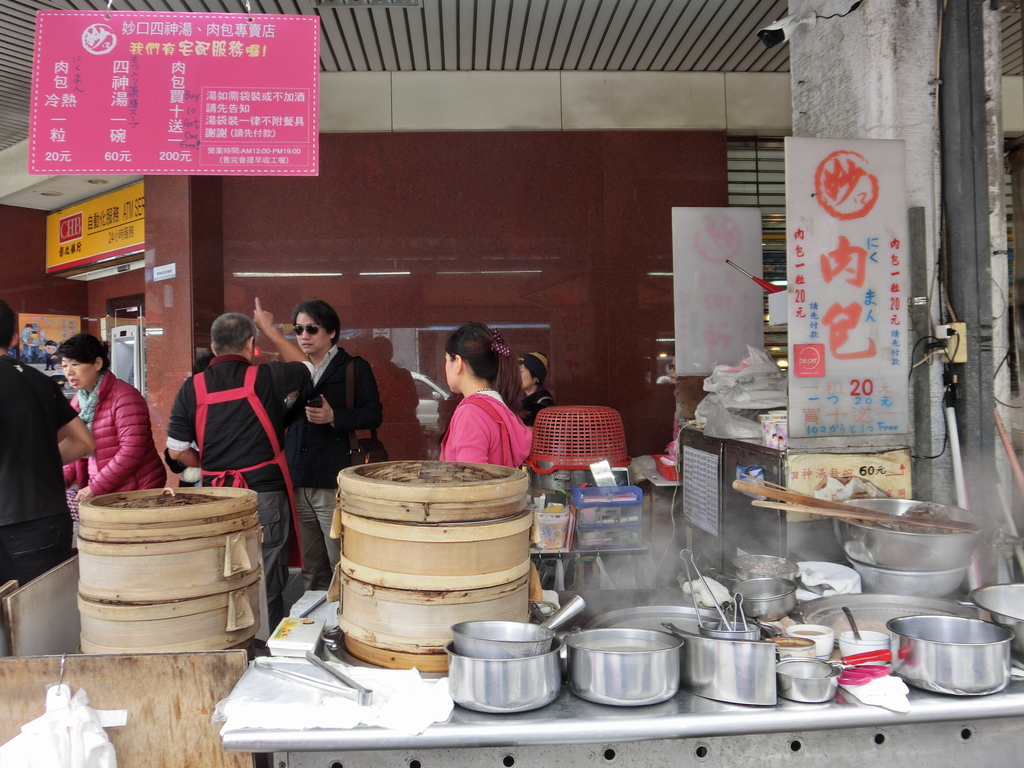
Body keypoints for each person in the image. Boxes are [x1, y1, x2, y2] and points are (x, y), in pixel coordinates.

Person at [166, 305, 313, 627]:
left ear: (214, 347)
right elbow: (306, 368)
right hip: (265, 495)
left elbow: (177, 450)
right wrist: (272, 330)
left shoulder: (192, 388)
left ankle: (230, 640)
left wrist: (208, 464)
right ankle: (267, 642)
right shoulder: (267, 376)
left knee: (222, 571)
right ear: (250, 344)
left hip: (217, 498)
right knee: (268, 573)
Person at [257, 299, 383, 591]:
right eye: (298, 328)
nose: (303, 335)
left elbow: (374, 413)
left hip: (333, 479)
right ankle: (316, 629)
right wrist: (288, 399)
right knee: (310, 569)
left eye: (311, 328)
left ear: (332, 332)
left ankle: (348, 627)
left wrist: (334, 415)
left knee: (342, 562)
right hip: (298, 477)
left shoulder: (353, 367)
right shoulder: (293, 370)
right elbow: (280, 420)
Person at [0, 299, 94, 585]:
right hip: (51, 517)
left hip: (8, 521)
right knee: (46, 614)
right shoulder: (40, 381)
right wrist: (41, 460)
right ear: (15, 338)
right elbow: (84, 442)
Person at [58, 333, 166, 501]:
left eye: (75, 364)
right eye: (64, 365)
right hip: (105, 489)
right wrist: (63, 478)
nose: (69, 372)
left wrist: (95, 487)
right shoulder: (78, 401)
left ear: (98, 363)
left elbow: (132, 451)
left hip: (137, 489)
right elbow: (77, 446)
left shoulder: (124, 397)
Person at [439, 322, 533, 467]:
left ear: (458, 362)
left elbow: (472, 482)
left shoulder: (471, 413)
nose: (445, 367)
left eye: (446, 360)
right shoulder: (502, 409)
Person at [518, 352, 555, 427]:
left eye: (521, 371)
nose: (517, 376)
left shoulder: (542, 405)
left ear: (536, 377)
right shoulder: (521, 400)